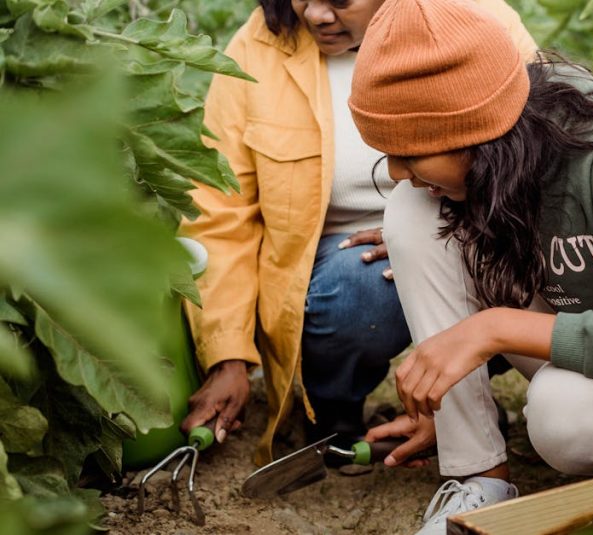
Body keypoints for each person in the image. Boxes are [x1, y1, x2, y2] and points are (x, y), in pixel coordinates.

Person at [347, 0, 593, 531]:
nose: (399, 171)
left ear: (478, 131)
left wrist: (495, 327)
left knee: (564, 418)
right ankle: (478, 478)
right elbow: (431, 210)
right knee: (411, 214)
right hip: (585, 350)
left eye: (412, 152)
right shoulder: (495, 161)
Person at [179, 0, 536, 467]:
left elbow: (535, 154)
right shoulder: (257, 50)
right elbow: (221, 211)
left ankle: (465, 405)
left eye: (340, 1)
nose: (315, 15)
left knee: (487, 272)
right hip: (345, 257)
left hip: (471, 233)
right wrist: (228, 358)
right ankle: (333, 412)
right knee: (354, 290)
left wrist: (428, 228)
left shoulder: (479, 20)